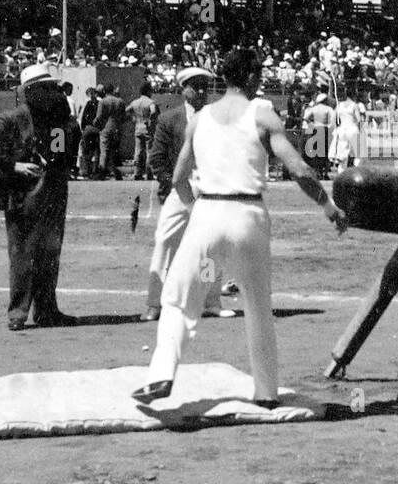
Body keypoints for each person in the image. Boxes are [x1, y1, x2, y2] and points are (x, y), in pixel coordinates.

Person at [133, 49, 348, 406]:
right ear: (249, 77)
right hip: (247, 220)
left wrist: (194, 211)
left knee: (182, 298)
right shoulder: (262, 114)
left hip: (209, 220)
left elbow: (178, 177)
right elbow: (299, 169)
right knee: (258, 307)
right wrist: (327, 206)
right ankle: (266, 393)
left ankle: (161, 374)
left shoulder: (199, 118)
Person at [0, 63, 79, 331]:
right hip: (22, 196)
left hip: (51, 195)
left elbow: (58, 156)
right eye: (45, 89)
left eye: (52, 88)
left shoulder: (56, 119)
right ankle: (17, 313)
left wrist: (68, 128)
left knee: (49, 255)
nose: (52, 93)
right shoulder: (14, 119)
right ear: (31, 92)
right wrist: (13, 165)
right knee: (22, 255)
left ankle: (46, 311)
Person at [144, 67, 230, 322]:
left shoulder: (219, 117)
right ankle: (154, 303)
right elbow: (157, 158)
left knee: (211, 248)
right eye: (195, 85)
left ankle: (209, 300)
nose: (201, 90)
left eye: (205, 85)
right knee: (165, 241)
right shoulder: (170, 119)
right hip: (181, 188)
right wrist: (170, 184)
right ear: (183, 89)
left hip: (212, 189)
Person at [94, 83, 127, 180]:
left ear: (104, 91)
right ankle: (116, 172)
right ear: (112, 90)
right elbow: (123, 117)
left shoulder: (103, 102)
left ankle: (102, 171)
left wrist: (95, 123)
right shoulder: (120, 101)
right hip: (117, 128)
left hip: (106, 128)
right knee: (113, 152)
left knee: (104, 150)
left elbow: (99, 117)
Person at [127, 81, 158, 180]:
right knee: (149, 151)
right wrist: (150, 120)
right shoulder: (150, 102)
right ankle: (149, 173)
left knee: (138, 151)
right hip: (147, 127)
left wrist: (133, 118)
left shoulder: (135, 102)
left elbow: (127, 110)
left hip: (138, 126)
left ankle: (137, 173)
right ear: (148, 91)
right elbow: (153, 112)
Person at [330, 85, 366, 170]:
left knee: (342, 153)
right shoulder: (354, 105)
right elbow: (358, 119)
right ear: (354, 95)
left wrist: (337, 128)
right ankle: (357, 170)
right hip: (352, 129)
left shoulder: (340, 105)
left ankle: (341, 171)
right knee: (357, 153)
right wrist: (361, 130)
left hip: (342, 130)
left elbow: (333, 118)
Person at [78, 86, 101, 180]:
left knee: (86, 151)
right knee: (96, 150)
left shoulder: (87, 103)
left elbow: (83, 117)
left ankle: (86, 171)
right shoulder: (99, 103)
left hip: (88, 129)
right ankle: (95, 171)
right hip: (97, 129)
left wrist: (83, 129)